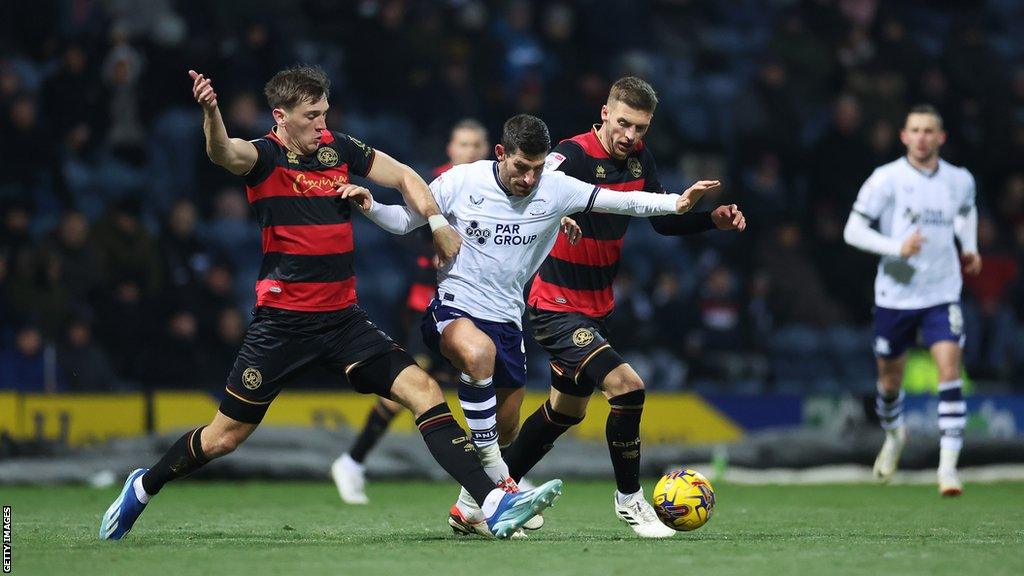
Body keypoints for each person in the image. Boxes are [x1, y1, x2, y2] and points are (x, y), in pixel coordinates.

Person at [99, 66, 563, 541]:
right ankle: (145, 484)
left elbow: (403, 174)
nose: (322, 124)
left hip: (343, 321)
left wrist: (437, 221)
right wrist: (211, 112)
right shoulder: (262, 157)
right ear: (280, 116)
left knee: (423, 391)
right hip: (281, 325)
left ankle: (491, 502)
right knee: (225, 437)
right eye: (311, 116)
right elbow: (222, 151)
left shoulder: (337, 148)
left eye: (325, 113)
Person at [343, 112, 717, 536]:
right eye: (521, 167)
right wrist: (371, 206)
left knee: (508, 425)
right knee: (477, 355)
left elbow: (624, 201)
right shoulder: (461, 181)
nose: (529, 178)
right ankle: (499, 487)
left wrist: (677, 204)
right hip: (454, 307)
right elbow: (405, 221)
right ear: (501, 154)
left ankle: (473, 513)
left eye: (538, 168)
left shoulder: (554, 187)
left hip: (507, 319)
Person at [502, 77, 746, 538]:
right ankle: (631, 502)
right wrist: (558, 212)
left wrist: (708, 220)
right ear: (605, 113)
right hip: (555, 303)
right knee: (628, 388)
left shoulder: (639, 160)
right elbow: (532, 187)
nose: (631, 136)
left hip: (596, 307)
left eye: (641, 127)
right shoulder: (570, 155)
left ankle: (488, 494)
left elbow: (658, 220)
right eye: (624, 123)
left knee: (566, 411)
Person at [331, 118, 492, 505]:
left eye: (476, 145)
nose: (469, 151)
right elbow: (408, 226)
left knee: (474, 381)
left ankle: (497, 474)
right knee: (412, 387)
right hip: (428, 301)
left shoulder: (490, 187)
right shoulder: (436, 184)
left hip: (471, 302)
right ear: (451, 150)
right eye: (463, 144)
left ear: (486, 151)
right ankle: (352, 461)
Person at [843, 104, 980, 497]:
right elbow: (853, 230)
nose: (922, 137)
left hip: (942, 292)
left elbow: (966, 213)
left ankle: (948, 469)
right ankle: (894, 434)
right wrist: (895, 247)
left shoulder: (959, 180)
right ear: (904, 136)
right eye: (915, 130)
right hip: (896, 294)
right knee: (889, 383)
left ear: (941, 138)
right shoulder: (886, 179)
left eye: (928, 131)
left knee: (949, 372)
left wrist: (969, 247)